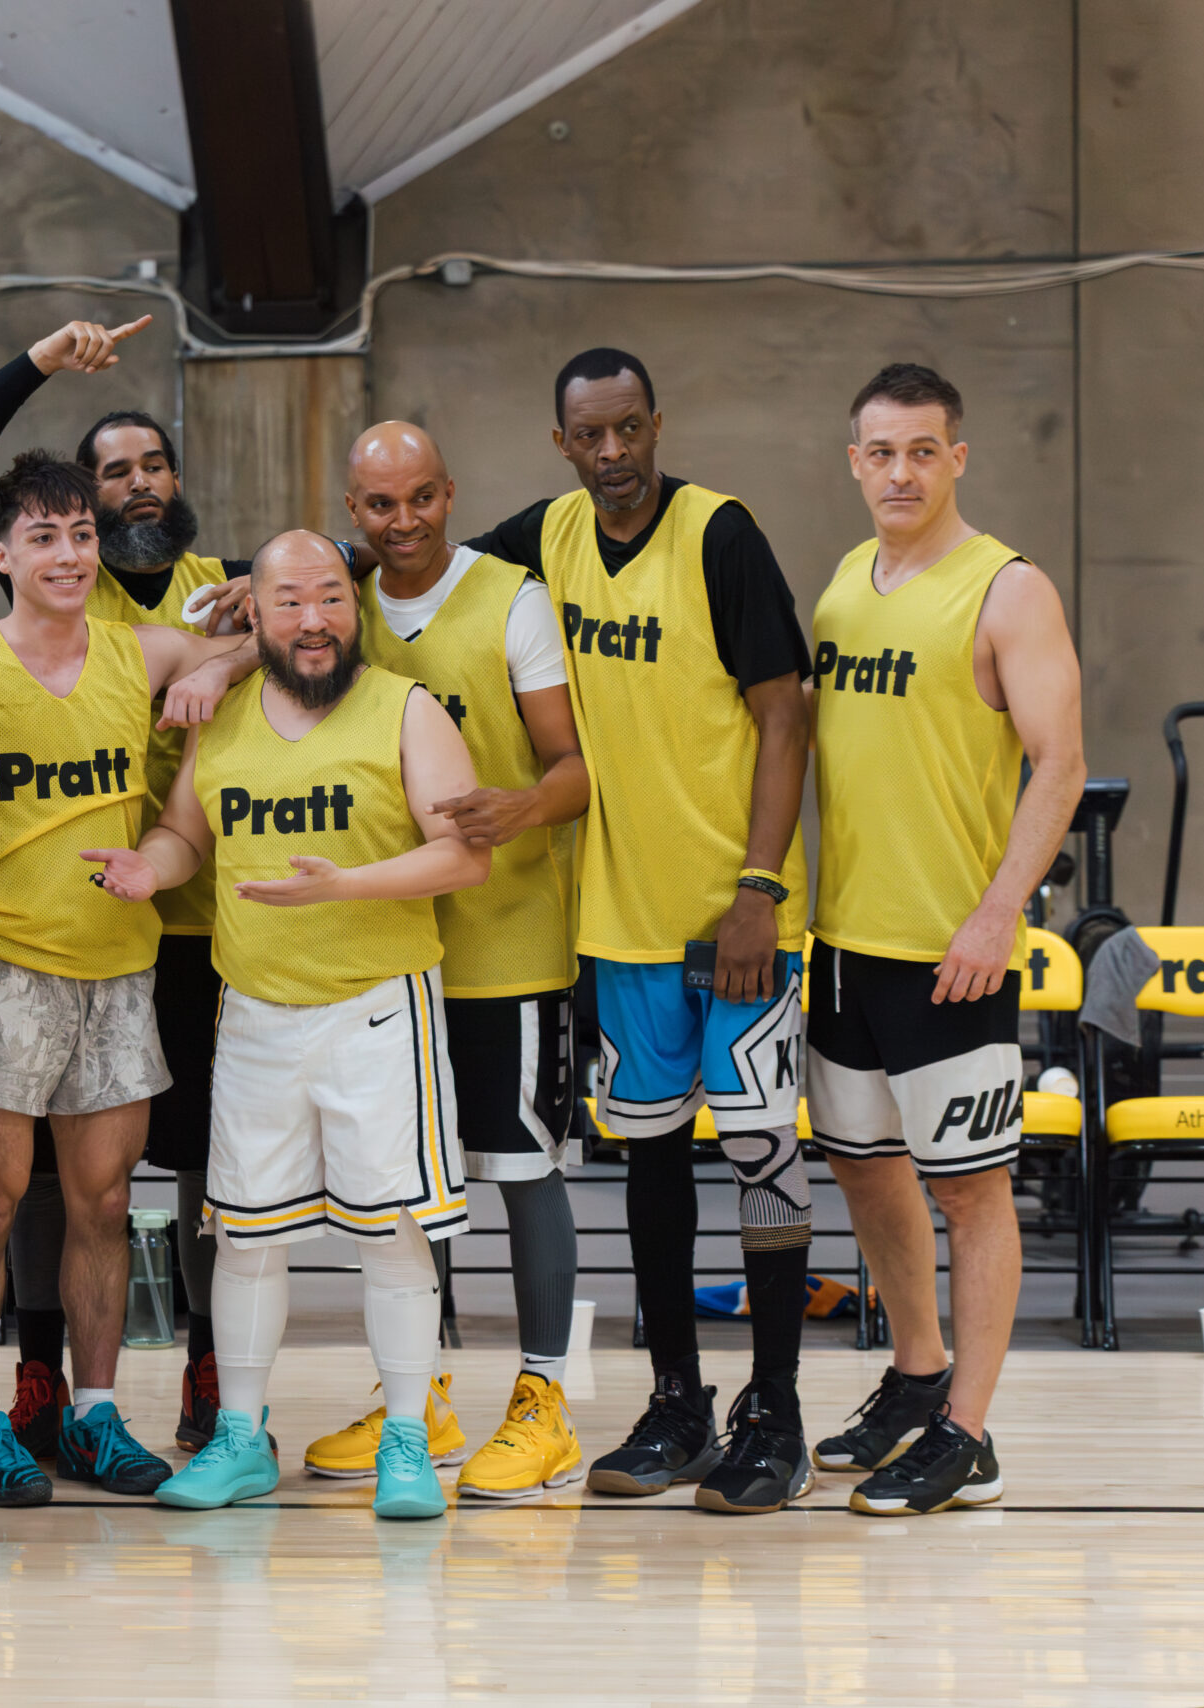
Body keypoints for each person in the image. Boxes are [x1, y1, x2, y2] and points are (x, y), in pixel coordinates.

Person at [462, 348, 817, 1516]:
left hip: (736, 917)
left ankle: (777, 1410)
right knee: (652, 1165)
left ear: (656, 424)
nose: (612, 454)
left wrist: (758, 885)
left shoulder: (720, 535)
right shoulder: (547, 536)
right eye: (589, 436)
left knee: (762, 1152)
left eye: (628, 430)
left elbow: (784, 712)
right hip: (618, 920)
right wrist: (280, 578)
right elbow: (420, 564)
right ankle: (678, 1400)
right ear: (560, 442)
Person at [84, 531, 491, 1521]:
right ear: (252, 616)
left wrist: (346, 885)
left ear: (352, 610)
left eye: (331, 600)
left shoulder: (407, 709)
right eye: (291, 602)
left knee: (393, 1234)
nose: (314, 620)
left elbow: (465, 856)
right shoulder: (220, 720)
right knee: (246, 1240)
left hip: (375, 1009)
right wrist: (151, 867)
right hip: (256, 1013)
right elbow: (186, 832)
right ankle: (238, 1436)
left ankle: (405, 1437)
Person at [0, 330, 239, 1452]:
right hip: (3, 962)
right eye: (42, 535)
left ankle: (98, 1411)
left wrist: (208, 673)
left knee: (105, 1204)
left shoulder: (135, 649)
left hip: (120, 964)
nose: (67, 552)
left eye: (81, 533)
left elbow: (251, 646)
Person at [296, 421, 592, 1500]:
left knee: (518, 1172)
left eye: (421, 497)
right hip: (388, 945)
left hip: (504, 943)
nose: (403, 520)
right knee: (408, 1189)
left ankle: (545, 1400)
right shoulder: (340, 610)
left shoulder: (508, 598)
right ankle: (420, 1395)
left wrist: (520, 805)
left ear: (449, 490)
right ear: (354, 507)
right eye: (379, 505)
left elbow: (570, 768)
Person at [805, 364, 1083, 1514]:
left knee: (971, 1192)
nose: (900, 471)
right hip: (842, 942)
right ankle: (916, 1378)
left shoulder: (1007, 589)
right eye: (880, 451)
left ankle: (968, 1431)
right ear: (853, 460)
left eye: (922, 450)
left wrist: (996, 911)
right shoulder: (840, 587)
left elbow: (1058, 763)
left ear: (956, 458)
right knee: (864, 1168)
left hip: (949, 948)